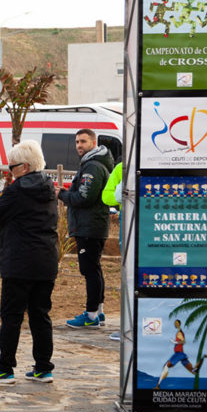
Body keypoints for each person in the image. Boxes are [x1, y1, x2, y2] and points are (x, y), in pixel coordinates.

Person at [0, 140, 59, 384]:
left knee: (11, 317)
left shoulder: (18, 189)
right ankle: (43, 367)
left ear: (23, 167)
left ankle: (5, 368)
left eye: (11, 167)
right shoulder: (47, 186)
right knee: (40, 316)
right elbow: (20, 212)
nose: (9, 173)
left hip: (20, 262)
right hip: (45, 261)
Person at [58, 128, 114, 329]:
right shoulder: (93, 164)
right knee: (94, 269)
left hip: (89, 226)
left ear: (93, 142)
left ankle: (90, 315)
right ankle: (98, 312)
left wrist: (62, 195)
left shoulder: (93, 167)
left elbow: (84, 197)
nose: (79, 146)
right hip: (92, 225)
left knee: (89, 270)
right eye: (77, 142)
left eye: (83, 141)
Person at [154, 319, 207, 389]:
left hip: (178, 354)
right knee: (194, 371)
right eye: (174, 323)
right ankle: (203, 358)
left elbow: (183, 341)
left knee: (166, 366)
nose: (175, 324)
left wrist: (174, 342)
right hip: (181, 355)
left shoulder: (179, 332)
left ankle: (158, 386)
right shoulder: (179, 332)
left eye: (176, 323)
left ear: (179, 324)